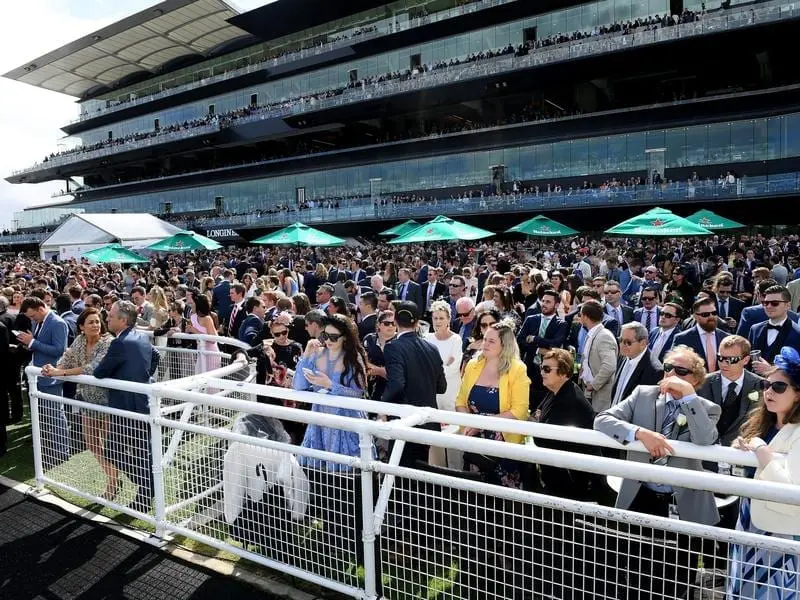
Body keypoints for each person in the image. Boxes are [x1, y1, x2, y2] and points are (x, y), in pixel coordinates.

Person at [594, 345, 721, 600]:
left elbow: (706, 439)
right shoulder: (643, 394)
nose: (672, 374)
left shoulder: (707, 408)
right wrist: (639, 434)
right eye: (667, 368)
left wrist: (687, 397)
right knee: (637, 571)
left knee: (678, 578)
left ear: (695, 380)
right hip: (643, 495)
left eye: (681, 371)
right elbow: (602, 420)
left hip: (682, 503)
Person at [727, 346, 800, 599]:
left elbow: (792, 494)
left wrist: (761, 450)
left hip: (781, 529)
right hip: (749, 520)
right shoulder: (762, 422)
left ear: (798, 394)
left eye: (779, 387)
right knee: (740, 589)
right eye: (766, 385)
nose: (769, 392)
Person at [42, 308, 117, 499]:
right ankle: (112, 475)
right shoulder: (79, 341)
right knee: (91, 443)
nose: (95, 325)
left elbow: (94, 369)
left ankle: (112, 482)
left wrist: (61, 373)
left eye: (97, 321)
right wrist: (53, 367)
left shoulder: (108, 342)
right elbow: (65, 360)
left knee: (109, 445)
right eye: (90, 322)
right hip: (85, 398)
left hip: (108, 401)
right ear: (82, 327)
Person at [94, 300, 160, 513]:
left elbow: (99, 372)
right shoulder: (141, 336)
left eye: (110, 316)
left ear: (122, 320)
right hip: (141, 403)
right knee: (141, 452)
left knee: (113, 451)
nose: (107, 319)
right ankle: (146, 492)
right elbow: (155, 356)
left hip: (126, 406)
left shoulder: (119, 343)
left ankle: (148, 486)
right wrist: (143, 377)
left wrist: (133, 378)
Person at [456, 319, 530, 487]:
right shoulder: (473, 365)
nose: (485, 344)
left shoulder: (517, 369)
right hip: (473, 441)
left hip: (503, 444)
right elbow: (460, 401)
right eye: (485, 339)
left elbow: (520, 410)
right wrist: (468, 423)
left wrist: (481, 424)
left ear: (504, 345)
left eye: (491, 341)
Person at [382, 301, 446, 467]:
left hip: (404, 421)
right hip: (427, 422)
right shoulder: (432, 348)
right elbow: (442, 387)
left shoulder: (393, 347)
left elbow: (396, 384)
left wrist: (382, 407)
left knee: (400, 478)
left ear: (395, 321)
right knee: (416, 477)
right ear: (417, 323)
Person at [18, 296, 70, 467]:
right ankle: (51, 448)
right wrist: (30, 343)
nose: (32, 320)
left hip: (51, 378)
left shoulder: (57, 323)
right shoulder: (39, 322)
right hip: (38, 375)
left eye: (33, 316)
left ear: (40, 309)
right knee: (46, 415)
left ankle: (62, 452)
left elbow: (58, 350)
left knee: (55, 415)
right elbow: (40, 344)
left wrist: (33, 342)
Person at [424, 300, 463, 469]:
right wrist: (442, 365)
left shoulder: (456, 339)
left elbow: (453, 368)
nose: (438, 321)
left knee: (453, 436)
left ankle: (456, 471)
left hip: (451, 394)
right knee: (434, 436)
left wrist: (436, 369)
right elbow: (426, 365)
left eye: (441, 318)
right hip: (432, 394)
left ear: (449, 319)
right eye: (435, 318)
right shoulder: (426, 338)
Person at [578, 300, 619, 412]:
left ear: (585, 317)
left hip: (600, 397)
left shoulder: (604, 336)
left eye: (580, 315)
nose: (579, 317)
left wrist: (593, 385)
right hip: (589, 393)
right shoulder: (591, 334)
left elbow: (609, 366)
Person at [610, 322, 664, 406]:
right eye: (620, 340)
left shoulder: (654, 371)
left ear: (643, 343)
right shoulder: (623, 356)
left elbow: (645, 406)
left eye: (628, 342)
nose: (622, 345)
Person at [671, 296, 730, 373]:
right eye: (705, 314)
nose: (711, 317)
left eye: (714, 313)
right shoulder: (682, 338)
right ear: (695, 316)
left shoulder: (725, 337)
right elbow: (675, 365)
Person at [363, 310, 396, 402]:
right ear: (378, 324)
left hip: (391, 387)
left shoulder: (400, 342)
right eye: (386, 323)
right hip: (370, 385)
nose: (390, 326)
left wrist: (377, 370)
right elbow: (363, 360)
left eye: (393, 323)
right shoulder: (369, 339)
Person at [188, 293, 221, 376]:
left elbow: (213, 340)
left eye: (193, 303)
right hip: (200, 352)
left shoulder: (207, 319)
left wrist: (194, 331)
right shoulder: (192, 317)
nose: (191, 306)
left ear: (198, 305)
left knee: (211, 384)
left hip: (212, 353)